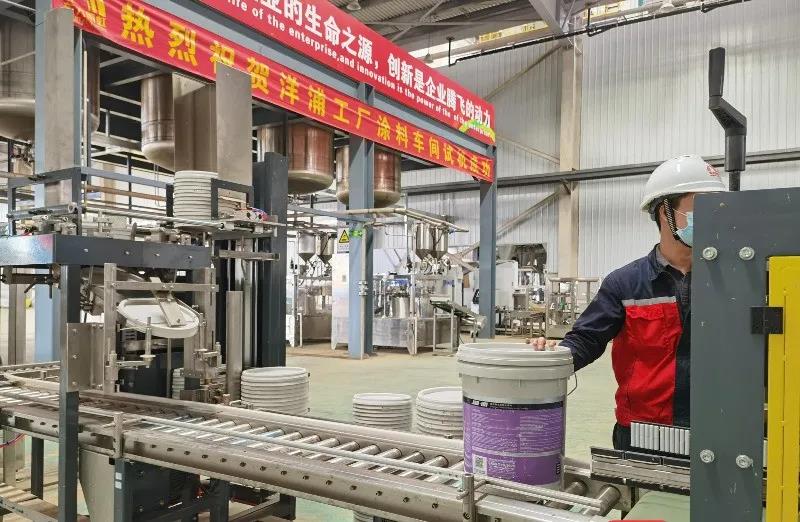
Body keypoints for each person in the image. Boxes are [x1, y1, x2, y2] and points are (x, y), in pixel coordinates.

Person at [530, 155, 727, 450]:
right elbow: (587, 340)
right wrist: (548, 358)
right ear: (665, 212)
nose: (715, 217)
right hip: (644, 433)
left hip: (718, 428)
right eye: (703, 206)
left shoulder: (734, 281)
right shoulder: (625, 284)